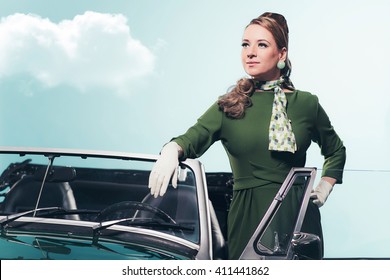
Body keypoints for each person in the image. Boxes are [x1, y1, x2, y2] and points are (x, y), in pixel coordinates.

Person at [148, 12, 346, 259]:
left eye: (261, 45)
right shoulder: (229, 105)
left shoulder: (306, 103)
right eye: (245, 44)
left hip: (298, 218)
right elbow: (191, 139)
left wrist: (326, 185)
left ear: (281, 54)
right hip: (250, 217)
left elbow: (336, 150)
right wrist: (170, 150)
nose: (250, 52)